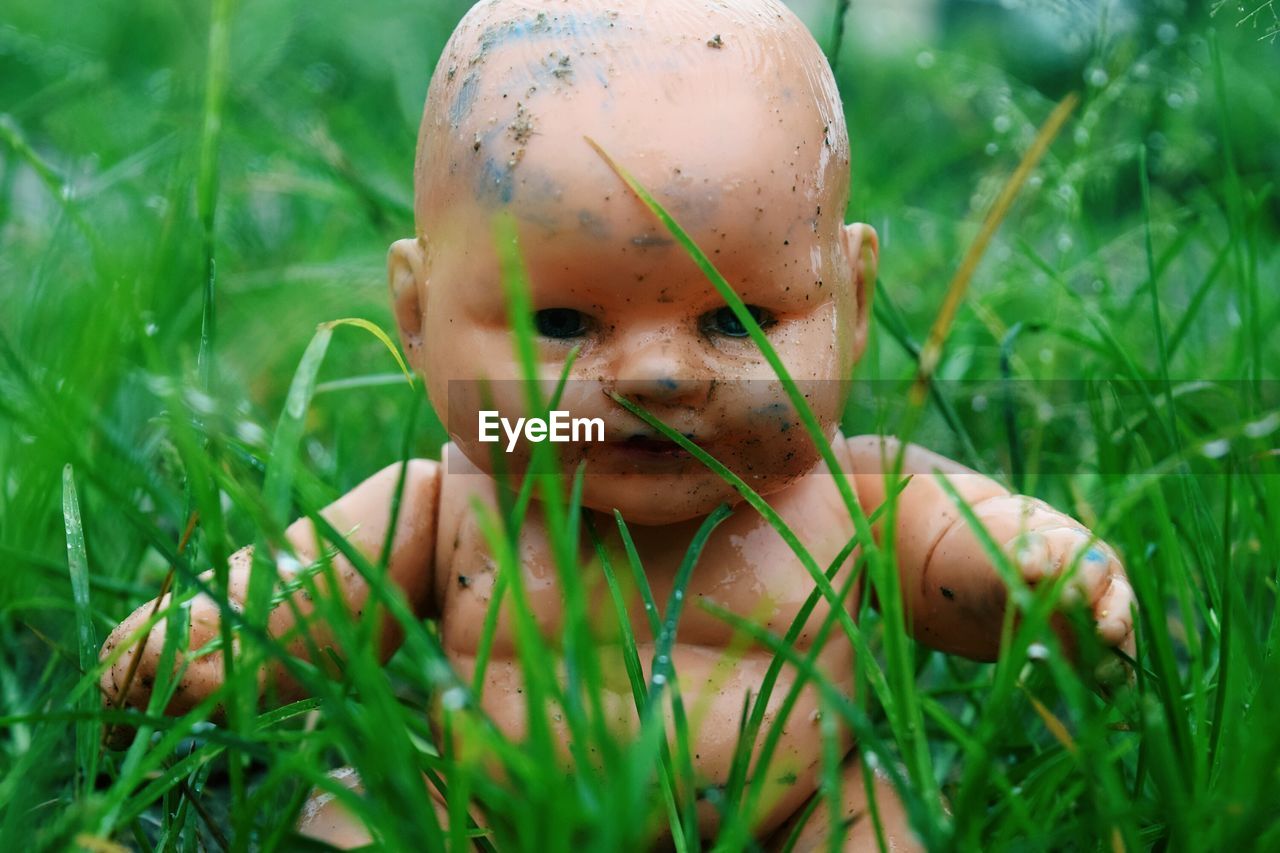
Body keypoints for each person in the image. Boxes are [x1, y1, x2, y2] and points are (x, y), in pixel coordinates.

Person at [100, 0, 1135, 847]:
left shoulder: (849, 494)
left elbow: (951, 565)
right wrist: (219, 636)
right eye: (557, 322)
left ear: (851, 303)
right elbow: (315, 591)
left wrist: (1022, 575)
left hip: (793, 818)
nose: (653, 376)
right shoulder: (453, 499)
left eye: (735, 320)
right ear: (417, 319)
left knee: (884, 825)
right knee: (360, 811)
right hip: (490, 816)